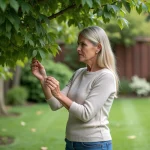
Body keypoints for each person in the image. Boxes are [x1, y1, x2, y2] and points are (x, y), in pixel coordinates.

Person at [31, 26, 119, 150]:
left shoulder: (105, 77)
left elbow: (85, 114)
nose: (78, 48)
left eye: (83, 44)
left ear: (98, 47)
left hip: (95, 144)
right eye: (78, 44)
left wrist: (59, 94)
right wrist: (43, 79)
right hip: (71, 142)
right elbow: (55, 104)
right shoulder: (79, 73)